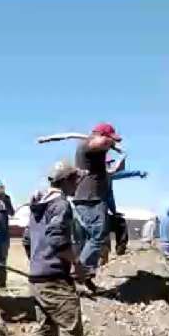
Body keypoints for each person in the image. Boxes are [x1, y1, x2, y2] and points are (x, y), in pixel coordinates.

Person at [23, 161, 85, 336]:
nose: (78, 183)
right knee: (72, 331)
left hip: (37, 277)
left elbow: (28, 240)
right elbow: (57, 238)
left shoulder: (37, 206)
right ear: (66, 180)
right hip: (54, 278)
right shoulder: (60, 205)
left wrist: (38, 262)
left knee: (47, 329)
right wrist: (76, 264)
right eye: (75, 179)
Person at [37, 123, 123, 293]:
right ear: (99, 135)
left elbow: (101, 169)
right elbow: (99, 143)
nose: (111, 143)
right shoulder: (88, 145)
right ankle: (80, 274)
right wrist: (110, 143)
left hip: (91, 197)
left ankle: (86, 281)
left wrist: (114, 169)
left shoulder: (95, 151)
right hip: (90, 198)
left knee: (86, 241)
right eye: (109, 138)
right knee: (97, 236)